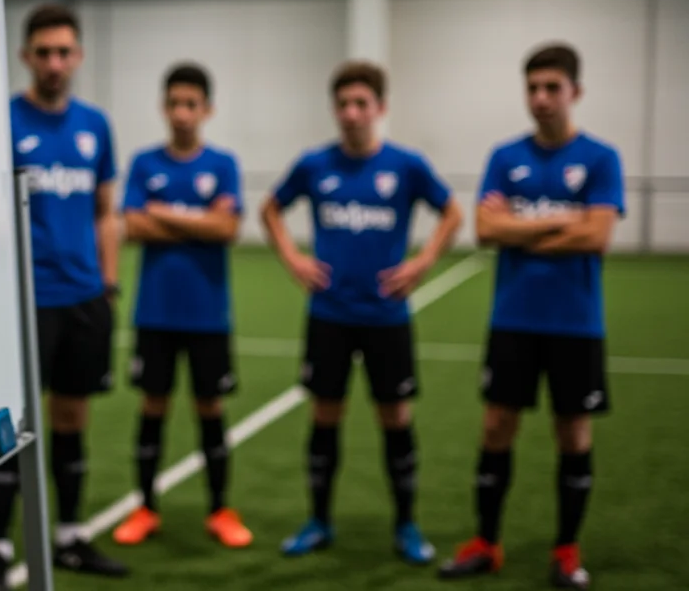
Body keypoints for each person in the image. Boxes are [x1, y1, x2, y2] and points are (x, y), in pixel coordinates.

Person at [260, 61, 464, 564]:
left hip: (386, 317)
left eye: (361, 104)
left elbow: (453, 210)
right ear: (335, 109)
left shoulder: (406, 165)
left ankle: (406, 525)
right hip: (328, 314)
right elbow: (270, 207)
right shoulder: (314, 165)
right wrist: (292, 257)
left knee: (395, 417)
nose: (351, 114)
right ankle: (318, 520)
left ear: (380, 108)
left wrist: (424, 260)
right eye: (343, 105)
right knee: (325, 415)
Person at [438, 44, 623, 590]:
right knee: (496, 426)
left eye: (552, 88)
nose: (541, 98)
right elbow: (487, 230)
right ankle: (486, 543)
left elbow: (598, 236)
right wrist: (564, 222)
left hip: (576, 322)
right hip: (513, 319)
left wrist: (523, 225)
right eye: (533, 88)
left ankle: (566, 550)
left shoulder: (600, 158)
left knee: (572, 433)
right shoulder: (504, 156)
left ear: (575, 93)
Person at [0, 4, 128, 590]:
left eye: (65, 52)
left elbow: (107, 211)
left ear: (79, 56)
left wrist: (108, 283)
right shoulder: (3, 122)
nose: (55, 63)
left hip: (86, 299)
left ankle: (70, 536)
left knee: (71, 418)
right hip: (26, 302)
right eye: (44, 52)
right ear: (25, 57)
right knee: (12, 427)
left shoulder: (96, 125)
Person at [110, 63, 252, 549]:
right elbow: (132, 226)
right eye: (174, 104)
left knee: (210, 407)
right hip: (155, 313)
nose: (182, 113)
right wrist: (200, 221)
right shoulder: (145, 163)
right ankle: (146, 507)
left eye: (191, 104)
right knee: (153, 407)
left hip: (208, 314)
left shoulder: (224, 164)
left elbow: (227, 230)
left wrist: (164, 212)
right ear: (163, 108)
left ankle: (220, 509)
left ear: (206, 110)